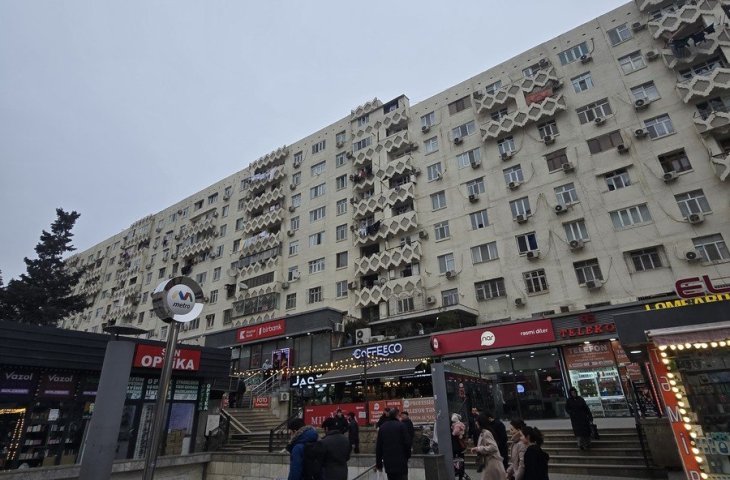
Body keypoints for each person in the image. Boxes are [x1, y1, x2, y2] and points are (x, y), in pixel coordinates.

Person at [376, 408, 412, 480]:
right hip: (401, 461)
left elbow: (379, 447)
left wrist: (379, 464)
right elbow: (407, 443)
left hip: (388, 462)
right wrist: (407, 456)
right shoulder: (401, 426)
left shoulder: (382, 427)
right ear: (396, 416)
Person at [471, 413, 506, 480]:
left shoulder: (486, 433)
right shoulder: (483, 432)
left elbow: (493, 447)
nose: (476, 423)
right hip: (489, 462)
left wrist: (479, 449)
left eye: (477, 421)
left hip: (491, 462)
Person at [451, 413, 467, 480]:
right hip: (460, 447)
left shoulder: (452, 426)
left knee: (457, 461)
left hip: (456, 447)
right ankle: (460, 474)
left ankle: (459, 474)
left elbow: (454, 434)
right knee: (460, 461)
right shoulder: (461, 425)